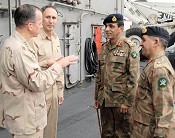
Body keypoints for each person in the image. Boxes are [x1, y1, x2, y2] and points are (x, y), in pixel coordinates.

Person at [0, 4, 78, 138]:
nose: (42, 25)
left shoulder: (12, 43)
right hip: (27, 118)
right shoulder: (20, 50)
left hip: (27, 112)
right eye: (40, 22)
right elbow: (38, 82)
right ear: (30, 25)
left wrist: (46, 63)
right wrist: (59, 64)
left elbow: (23, 70)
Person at [94, 13, 140, 138]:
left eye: (111, 26)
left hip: (121, 102)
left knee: (123, 134)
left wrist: (128, 102)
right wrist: (97, 97)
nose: (107, 29)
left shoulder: (130, 47)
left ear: (121, 28)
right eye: (106, 26)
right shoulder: (104, 48)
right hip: (105, 100)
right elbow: (100, 74)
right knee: (107, 133)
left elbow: (134, 78)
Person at [29, 5, 66, 138]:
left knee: (51, 130)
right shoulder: (33, 39)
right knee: (36, 131)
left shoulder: (55, 38)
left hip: (53, 91)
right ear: (41, 19)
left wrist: (60, 90)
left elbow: (59, 66)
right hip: (38, 93)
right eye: (48, 17)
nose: (51, 21)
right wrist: (46, 63)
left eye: (54, 18)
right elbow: (27, 68)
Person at [131, 26, 175, 138]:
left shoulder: (158, 69)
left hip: (148, 132)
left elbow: (164, 108)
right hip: (143, 129)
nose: (140, 43)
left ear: (155, 42)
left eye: (144, 40)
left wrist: (159, 135)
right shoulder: (154, 64)